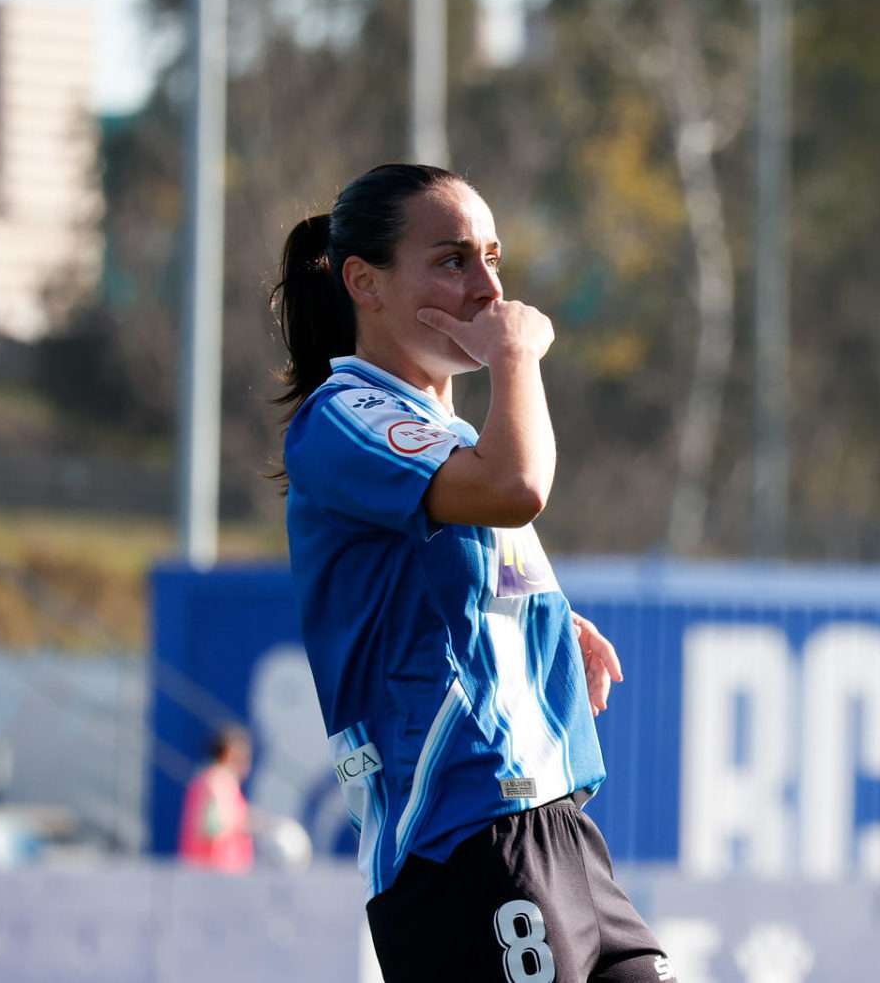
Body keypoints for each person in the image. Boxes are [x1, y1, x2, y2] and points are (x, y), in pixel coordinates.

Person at [273, 164, 672, 982]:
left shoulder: (436, 428)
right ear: (364, 283)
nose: (488, 289)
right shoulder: (345, 412)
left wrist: (549, 621)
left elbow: (466, 558)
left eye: (493, 258)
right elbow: (514, 488)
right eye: (452, 261)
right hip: (463, 838)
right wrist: (515, 356)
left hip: (558, 827)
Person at [178, 724, 255, 872]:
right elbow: (211, 827)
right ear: (229, 753)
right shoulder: (217, 782)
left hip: (212, 871)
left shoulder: (209, 779)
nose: (247, 762)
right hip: (214, 871)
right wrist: (250, 825)